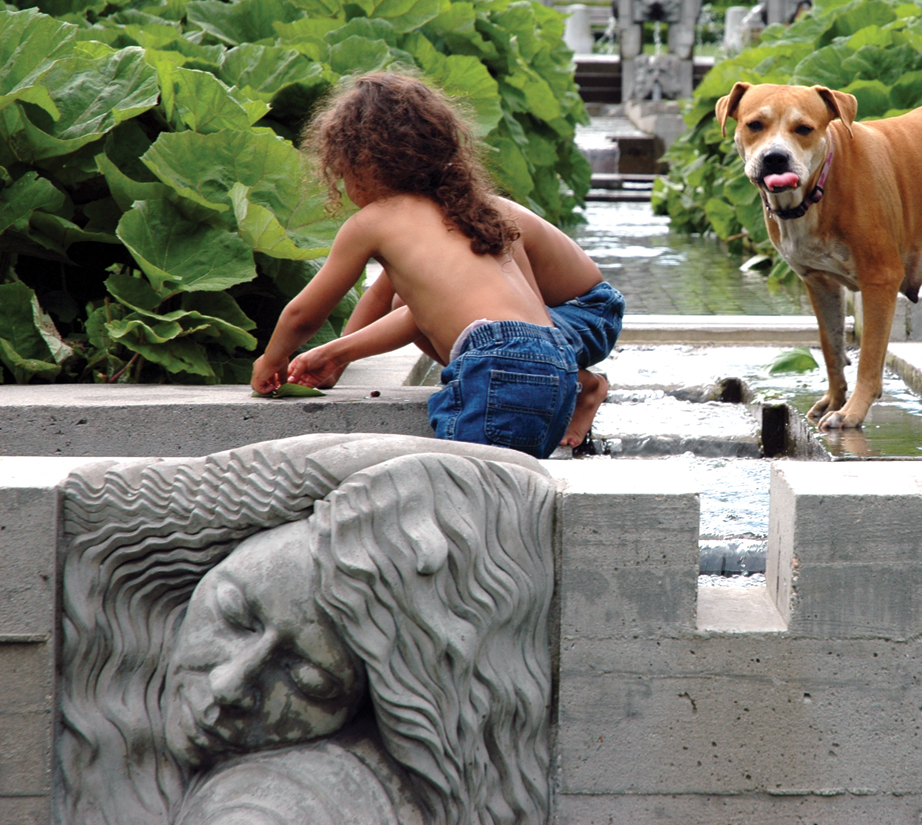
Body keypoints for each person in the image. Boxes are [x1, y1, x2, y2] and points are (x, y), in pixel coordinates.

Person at [57, 435, 555, 825]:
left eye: (311, 682)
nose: (230, 686)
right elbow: (101, 502)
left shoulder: (288, 800)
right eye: (233, 613)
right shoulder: (109, 609)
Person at [249, 71, 623, 458]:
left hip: (496, 362)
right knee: (513, 488)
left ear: (360, 163)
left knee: (464, 489)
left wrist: (273, 359)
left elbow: (302, 315)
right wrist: (336, 356)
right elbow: (400, 306)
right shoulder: (471, 213)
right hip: (557, 363)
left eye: (343, 177)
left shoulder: (371, 222)